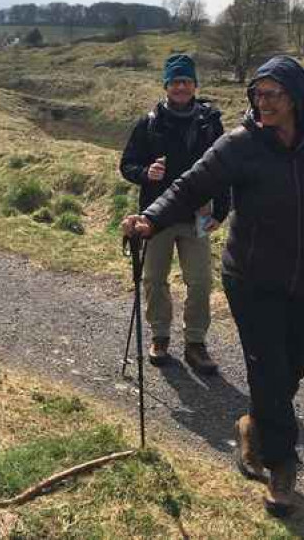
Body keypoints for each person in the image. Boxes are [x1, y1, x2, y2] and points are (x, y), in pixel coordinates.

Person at [121, 56, 304, 516]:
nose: (262, 102)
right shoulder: (242, 144)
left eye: (272, 94)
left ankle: (254, 424)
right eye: (258, 94)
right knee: (269, 365)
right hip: (251, 278)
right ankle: (282, 465)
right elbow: (191, 186)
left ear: (297, 96)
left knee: (294, 362)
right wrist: (150, 218)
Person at [119, 53, 229, 374]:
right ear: (166, 85)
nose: (181, 87)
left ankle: (195, 342)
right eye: (175, 81)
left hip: (198, 216)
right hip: (156, 217)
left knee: (200, 281)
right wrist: (145, 173)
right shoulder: (149, 123)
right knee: (154, 278)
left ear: (195, 85)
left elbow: (225, 169)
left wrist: (221, 211)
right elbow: (126, 164)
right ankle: (160, 336)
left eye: (186, 81)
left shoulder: (210, 123)